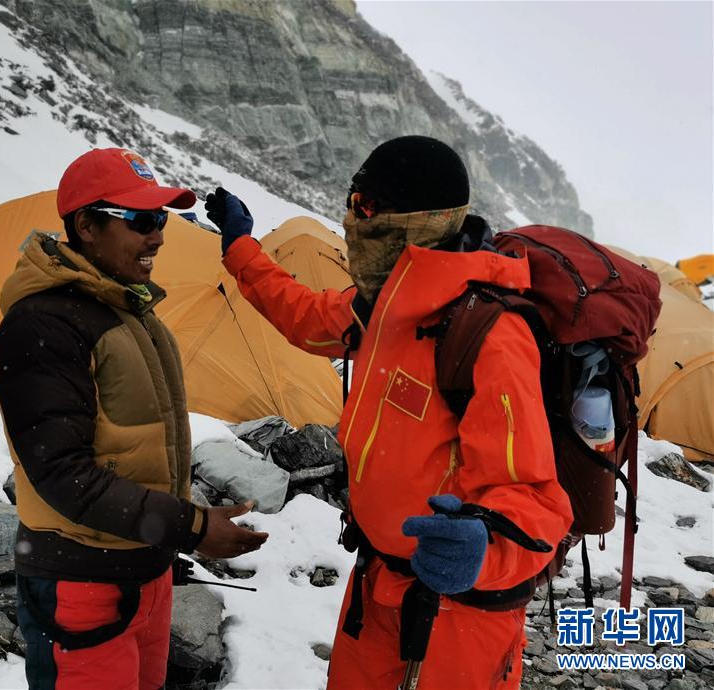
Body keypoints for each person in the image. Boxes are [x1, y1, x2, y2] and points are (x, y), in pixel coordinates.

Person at [204, 135, 572, 690]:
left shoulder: (487, 335)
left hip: (456, 611)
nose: (353, 220)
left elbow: (537, 499)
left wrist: (483, 550)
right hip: (376, 583)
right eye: (353, 202)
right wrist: (240, 249)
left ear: (416, 222)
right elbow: (305, 316)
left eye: (367, 207)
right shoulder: (385, 305)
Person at [0, 147, 268, 690]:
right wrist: (192, 526)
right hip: (81, 585)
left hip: (144, 572)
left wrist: (178, 530)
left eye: (160, 219)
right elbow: (62, 475)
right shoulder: (42, 324)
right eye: (141, 220)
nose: (157, 236)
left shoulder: (126, 309)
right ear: (86, 226)